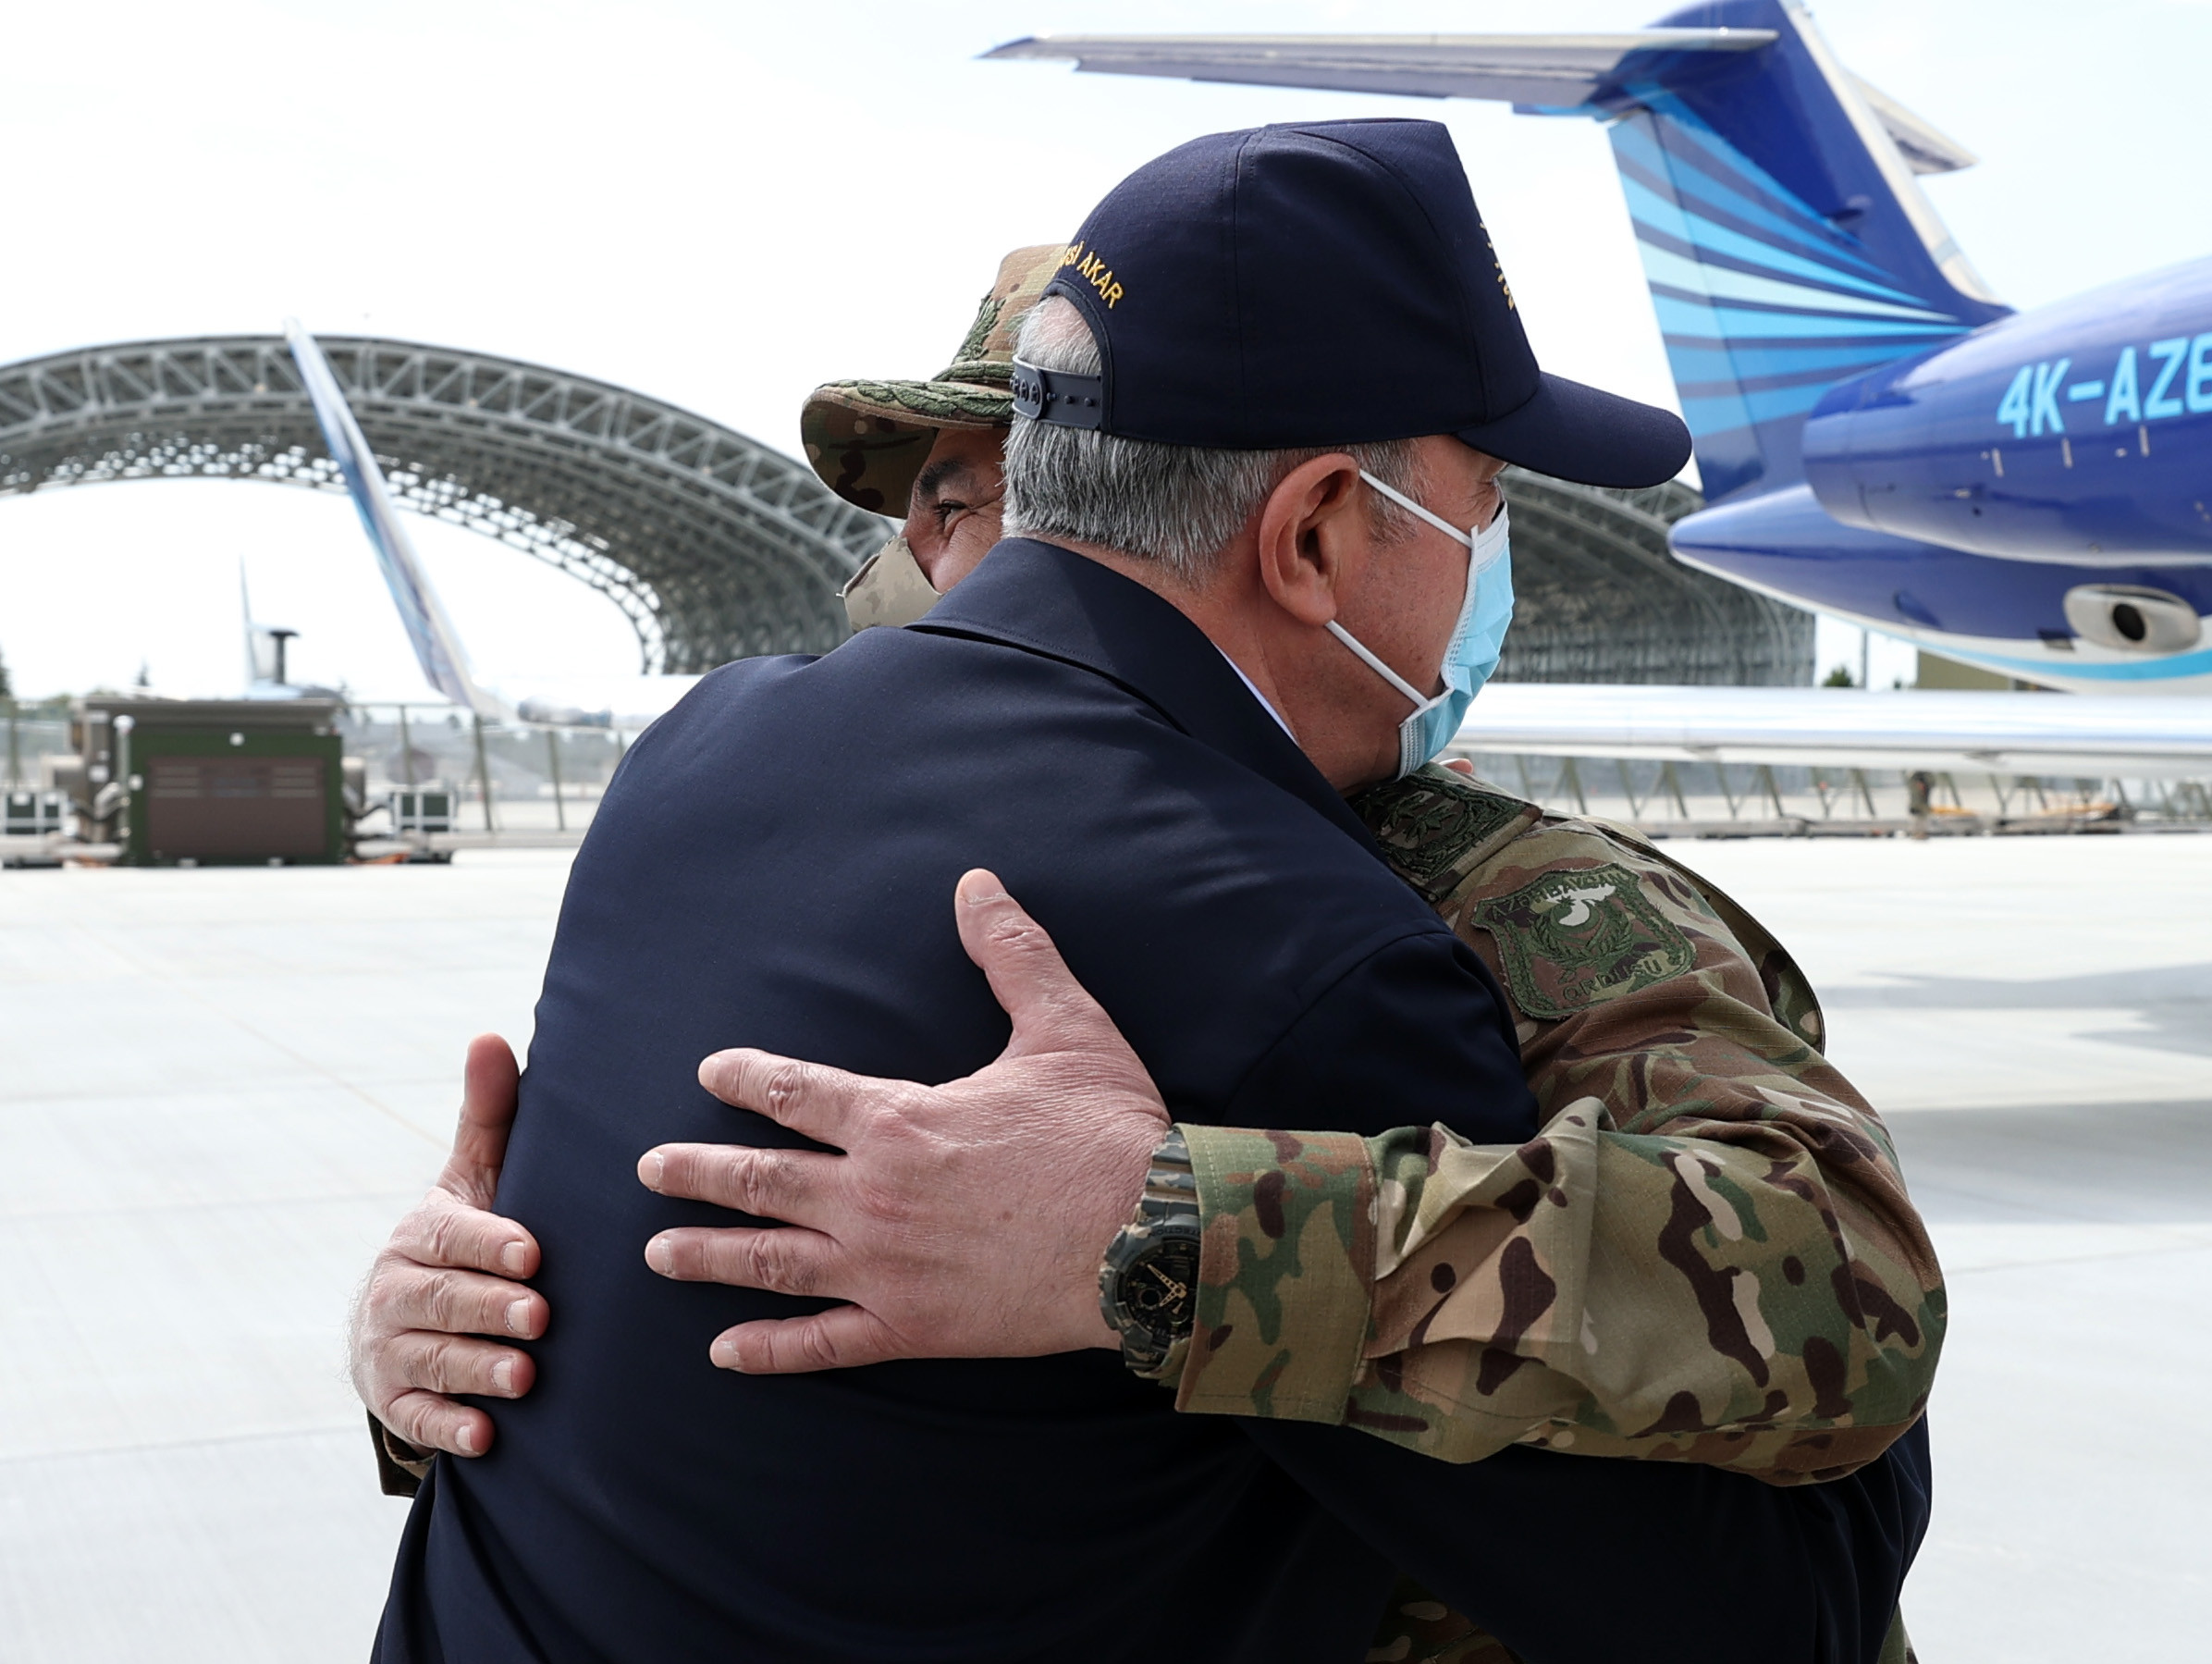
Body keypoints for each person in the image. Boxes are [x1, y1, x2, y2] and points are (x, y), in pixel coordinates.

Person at [357, 239, 1937, 1658]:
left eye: (996, 490)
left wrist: (1177, 1231)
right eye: (954, 501)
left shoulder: (1496, 914)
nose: (945, 550)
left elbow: (1816, 1361)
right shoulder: (798, 844)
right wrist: (464, 1342)